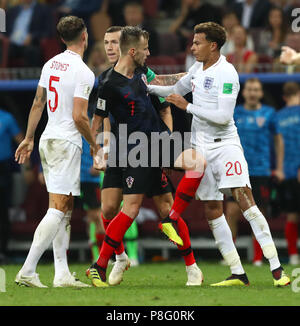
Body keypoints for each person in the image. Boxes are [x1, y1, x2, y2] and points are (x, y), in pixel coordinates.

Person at [148, 22, 290, 287]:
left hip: (225, 145)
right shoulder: (196, 68)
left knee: (245, 200)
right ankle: (237, 272)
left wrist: (187, 107)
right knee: (212, 208)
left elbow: (224, 117)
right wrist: (143, 88)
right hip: (200, 145)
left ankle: (277, 269)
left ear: (213, 46)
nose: (192, 47)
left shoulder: (227, 73)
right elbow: (172, 91)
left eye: (197, 42)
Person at [86, 26, 206, 287]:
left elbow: (167, 86)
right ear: (133, 50)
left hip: (151, 146)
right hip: (127, 150)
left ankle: (192, 267)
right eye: (106, 42)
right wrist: (98, 151)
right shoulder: (107, 83)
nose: (109, 47)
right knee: (109, 208)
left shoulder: (144, 73)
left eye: (113, 42)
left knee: (159, 205)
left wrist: (200, 72)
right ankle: (117, 258)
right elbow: (99, 121)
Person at [14, 15, 97, 288]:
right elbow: (79, 117)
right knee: (58, 209)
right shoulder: (84, 72)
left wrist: (28, 138)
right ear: (84, 36)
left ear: (62, 38)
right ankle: (27, 269)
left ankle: (61, 274)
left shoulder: (51, 63)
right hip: (65, 143)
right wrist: (95, 146)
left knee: (66, 207)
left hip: (47, 139)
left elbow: (38, 102)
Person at [226, 77, 284, 266]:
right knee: (231, 212)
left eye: (256, 90)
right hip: (238, 170)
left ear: (260, 93)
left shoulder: (269, 114)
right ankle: (231, 258)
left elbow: (278, 140)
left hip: (261, 170)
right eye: (249, 89)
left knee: (258, 213)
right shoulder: (235, 113)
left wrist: (280, 167)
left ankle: (258, 257)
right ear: (243, 93)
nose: (252, 93)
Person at [276, 82, 300, 265]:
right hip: (291, 171)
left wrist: (280, 169)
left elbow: (278, 146)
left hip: (288, 172)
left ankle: (293, 255)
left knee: (292, 215)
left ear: (283, 97)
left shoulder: (278, 116)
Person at [0, 108, 23, 263]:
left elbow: (21, 140)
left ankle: (2, 251)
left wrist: (27, 167)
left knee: (2, 210)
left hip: (3, 168)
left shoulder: (6, 118)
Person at [6, 0, 55, 67]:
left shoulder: (44, 9)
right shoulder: (13, 10)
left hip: (32, 43)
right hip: (11, 43)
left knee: (32, 51)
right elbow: (5, 29)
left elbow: (49, 31)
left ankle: (32, 77)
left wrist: (33, 36)